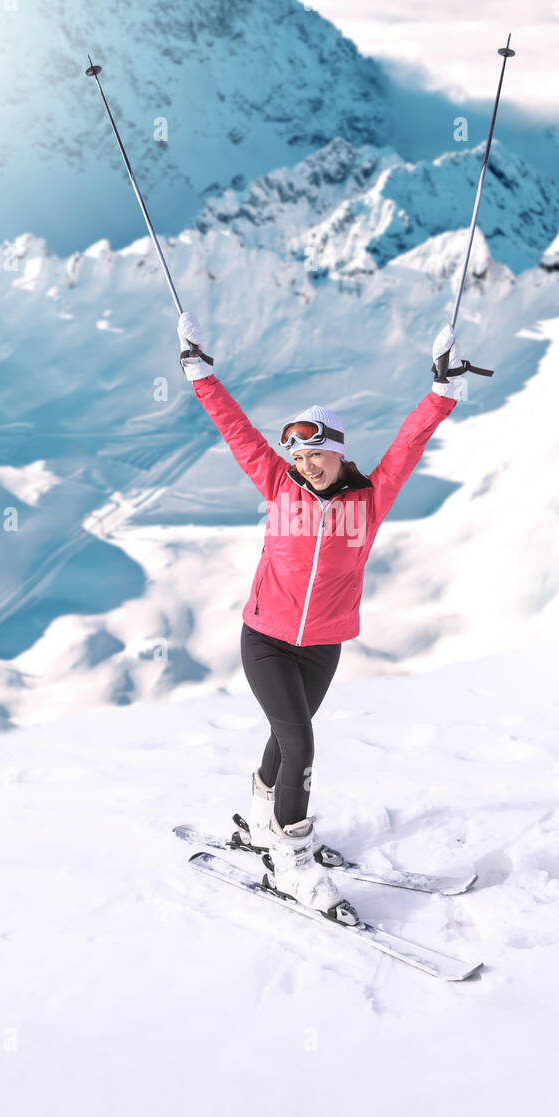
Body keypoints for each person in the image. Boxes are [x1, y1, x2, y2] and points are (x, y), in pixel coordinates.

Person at [176, 311, 466, 918]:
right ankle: (292, 863)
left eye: (317, 453)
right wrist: (200, 372)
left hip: (324, 643)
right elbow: (237, 431)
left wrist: (441, 393)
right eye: (299, 456)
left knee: (286, 739)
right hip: (266, 638)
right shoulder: (278, 487)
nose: (306, 464)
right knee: (300, 740)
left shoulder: (369, 499)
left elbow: (407, 447)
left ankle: (263, 826)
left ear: (337, 453)